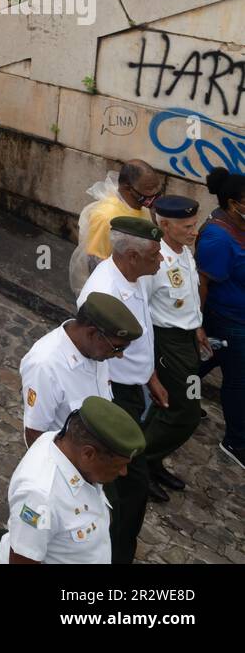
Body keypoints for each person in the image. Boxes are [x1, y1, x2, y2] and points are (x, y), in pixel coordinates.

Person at [76, 216, 166, 564]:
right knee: (129, 487)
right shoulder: (103, 293)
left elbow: (141, 336)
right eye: (155, 255)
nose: (160, 260)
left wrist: (151, 377)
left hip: (135, 386)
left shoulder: (136, 275)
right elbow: (96, 355)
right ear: (131, 256)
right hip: (115, 396)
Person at [0, 398, 145, 564]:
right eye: (119, 465)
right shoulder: (40, 498)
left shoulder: (66, 444)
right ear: (88, 454)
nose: (124, 472)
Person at [143, 195, 208, 495]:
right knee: (185, 412)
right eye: (187, 226)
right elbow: (142, 308)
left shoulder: (184, 251)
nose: (194, 231)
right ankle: (139, 464)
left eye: (194, 225)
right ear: (165, 225)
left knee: (163, 406)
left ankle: (150, 462)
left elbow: (187, 295)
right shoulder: (155, 260)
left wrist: (197, 327)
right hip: (167, 342)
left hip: (186, 338)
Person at [19, 292, 142, 448]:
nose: (120, 355)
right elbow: (34, 434)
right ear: (92, 333)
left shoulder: (94, 349)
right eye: (117, 348)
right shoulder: (45, 366)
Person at [198, 167, 245, 470]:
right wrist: (197, 325)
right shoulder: (217, 237)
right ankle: (236, 442)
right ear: (232, 203)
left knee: (207, 359)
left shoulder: (238, 225)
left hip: (234, 321)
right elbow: (202, 283)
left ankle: (174, 394)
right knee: (239, 381)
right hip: (227, 320)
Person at [68, 161, 163, 293]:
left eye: (157, 187)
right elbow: (95, 261)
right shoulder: (105, 217)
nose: (155, 193)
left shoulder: (143, 208)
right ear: (128, 188)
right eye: (149, 188)